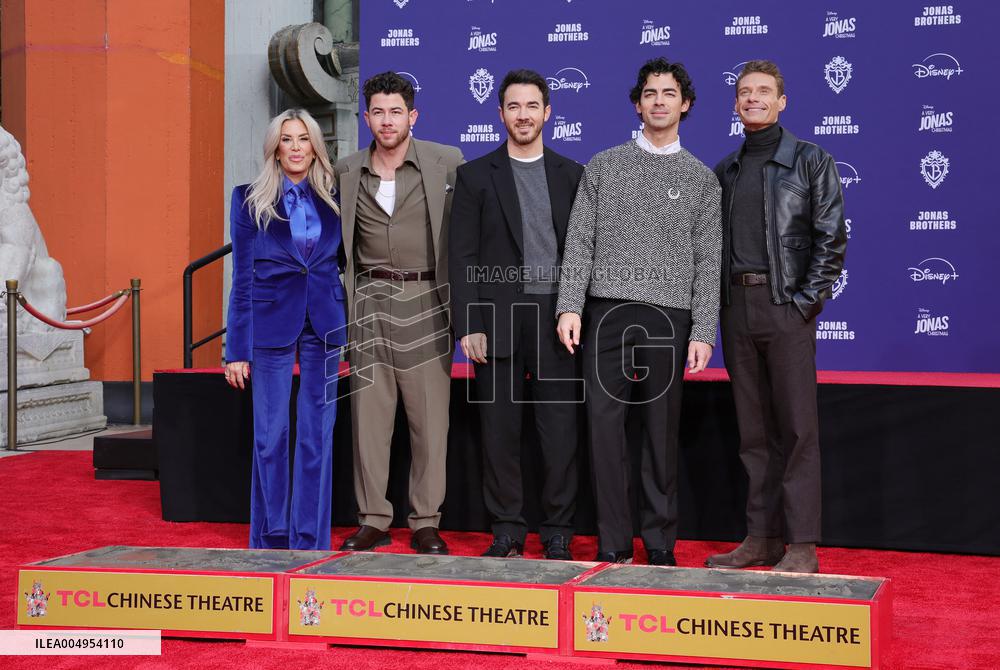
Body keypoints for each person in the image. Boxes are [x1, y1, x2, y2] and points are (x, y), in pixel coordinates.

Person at [556, 58, 722, 565]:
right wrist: (569, 306)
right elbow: (579, 242)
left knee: (660, 432)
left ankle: (659, 542)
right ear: (637, 103)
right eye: (650, 93)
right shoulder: (603, 166)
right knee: (604, 433)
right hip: (605, 313)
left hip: (668, 317)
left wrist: (704, 330)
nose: (658, 101)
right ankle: (612, 541)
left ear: (684, 104)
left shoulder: (701, 180)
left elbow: (708, 260)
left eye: (668, 93)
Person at [705, 60, 846, 574]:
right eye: (745, 92)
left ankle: (803, 543)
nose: (754, 99)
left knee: (797, 429)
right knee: (753, 433)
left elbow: (831, 239)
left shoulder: (811, 160)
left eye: (764, 91)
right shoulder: (726, 169)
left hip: (786, 307)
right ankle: (761, 538)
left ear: (782, 101)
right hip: (736, 310)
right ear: (736, 103)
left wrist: (804, 303)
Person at [449, 69, 584, 560]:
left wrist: (577, 309)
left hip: (557, 319)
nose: (523, 115)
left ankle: (558, 530)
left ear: (548, 113)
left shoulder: (573, 175)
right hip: (498, 319)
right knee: (499, 431)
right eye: (514, 107)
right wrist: (469, 324)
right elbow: (460, 257)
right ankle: (506, 527)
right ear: (500, 113)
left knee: (560, 433)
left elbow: (584, 251)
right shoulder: (474, 176)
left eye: (532, 106)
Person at [335, 71, 463, 555]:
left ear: (413, 116)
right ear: (365, 117)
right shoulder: (346, 171)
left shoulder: (446, 162)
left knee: (430, 419)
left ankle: (426, 520)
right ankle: (373, 518)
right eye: (377, 112)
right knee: (369, 416)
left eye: (396, 112)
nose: (386, 121)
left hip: (428, 297)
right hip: (368, 299)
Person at [225, 108, 347, 551]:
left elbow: (342, 264)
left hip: (325, 325)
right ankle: (272, 536)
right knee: (270, 434)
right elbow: (241, 278)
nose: (296, 147)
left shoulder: (335, 196)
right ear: (275, 148)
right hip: (269, 324)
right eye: (287, 139)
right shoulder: (247, 199)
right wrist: (235, 348)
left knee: (317, 434)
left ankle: (310, 537)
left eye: (304, 139)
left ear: (315, 147)